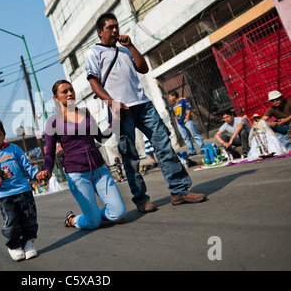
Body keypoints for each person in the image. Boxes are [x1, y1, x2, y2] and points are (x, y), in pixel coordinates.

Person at [85, 12, 206, 212]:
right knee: (130, 155)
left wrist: (131, 46)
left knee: (164, 145)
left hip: (143, 104)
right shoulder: (93, 53)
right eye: (110, 27)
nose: (115, 30)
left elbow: (144, 68)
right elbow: (93, 83)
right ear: (100, 32)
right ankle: (141, 200)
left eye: (117, 26)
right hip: (119, 110)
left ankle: (179, 191)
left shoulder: (124, 51)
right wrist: (112, 102)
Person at [43, 80, 126, 230]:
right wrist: (47, 170)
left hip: (99, 170)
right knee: (93, 223)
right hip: (77, 176)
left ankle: (93, 214)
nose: (69, 93)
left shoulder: (85, 113)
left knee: (118, 214)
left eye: (71, 90)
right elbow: (49, 154)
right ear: (56, 98)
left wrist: (115, 119)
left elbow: (101, 138)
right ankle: (73, 220)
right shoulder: (52, 122)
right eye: (64, 91)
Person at [0, 117, 48, 261]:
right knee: (11, 221)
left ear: (4, 134)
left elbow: (26, 167)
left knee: (29, 218)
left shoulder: (14, 149)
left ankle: (28, 243)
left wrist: (37, 174)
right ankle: (14, 245)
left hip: (23, 190)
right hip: (3, 194)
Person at [167, 91, 205, 155]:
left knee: (195, 135)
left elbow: (188, 109)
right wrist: (177, 122)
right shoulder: (173, 105)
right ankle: (192, 151)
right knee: (186, 138)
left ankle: (203, 148)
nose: (169, 99)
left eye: (169, 97)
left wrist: (187, 118)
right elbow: (174, 115)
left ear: (174, 96)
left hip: (187, 121)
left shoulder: (183, 100)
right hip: (180, 123)